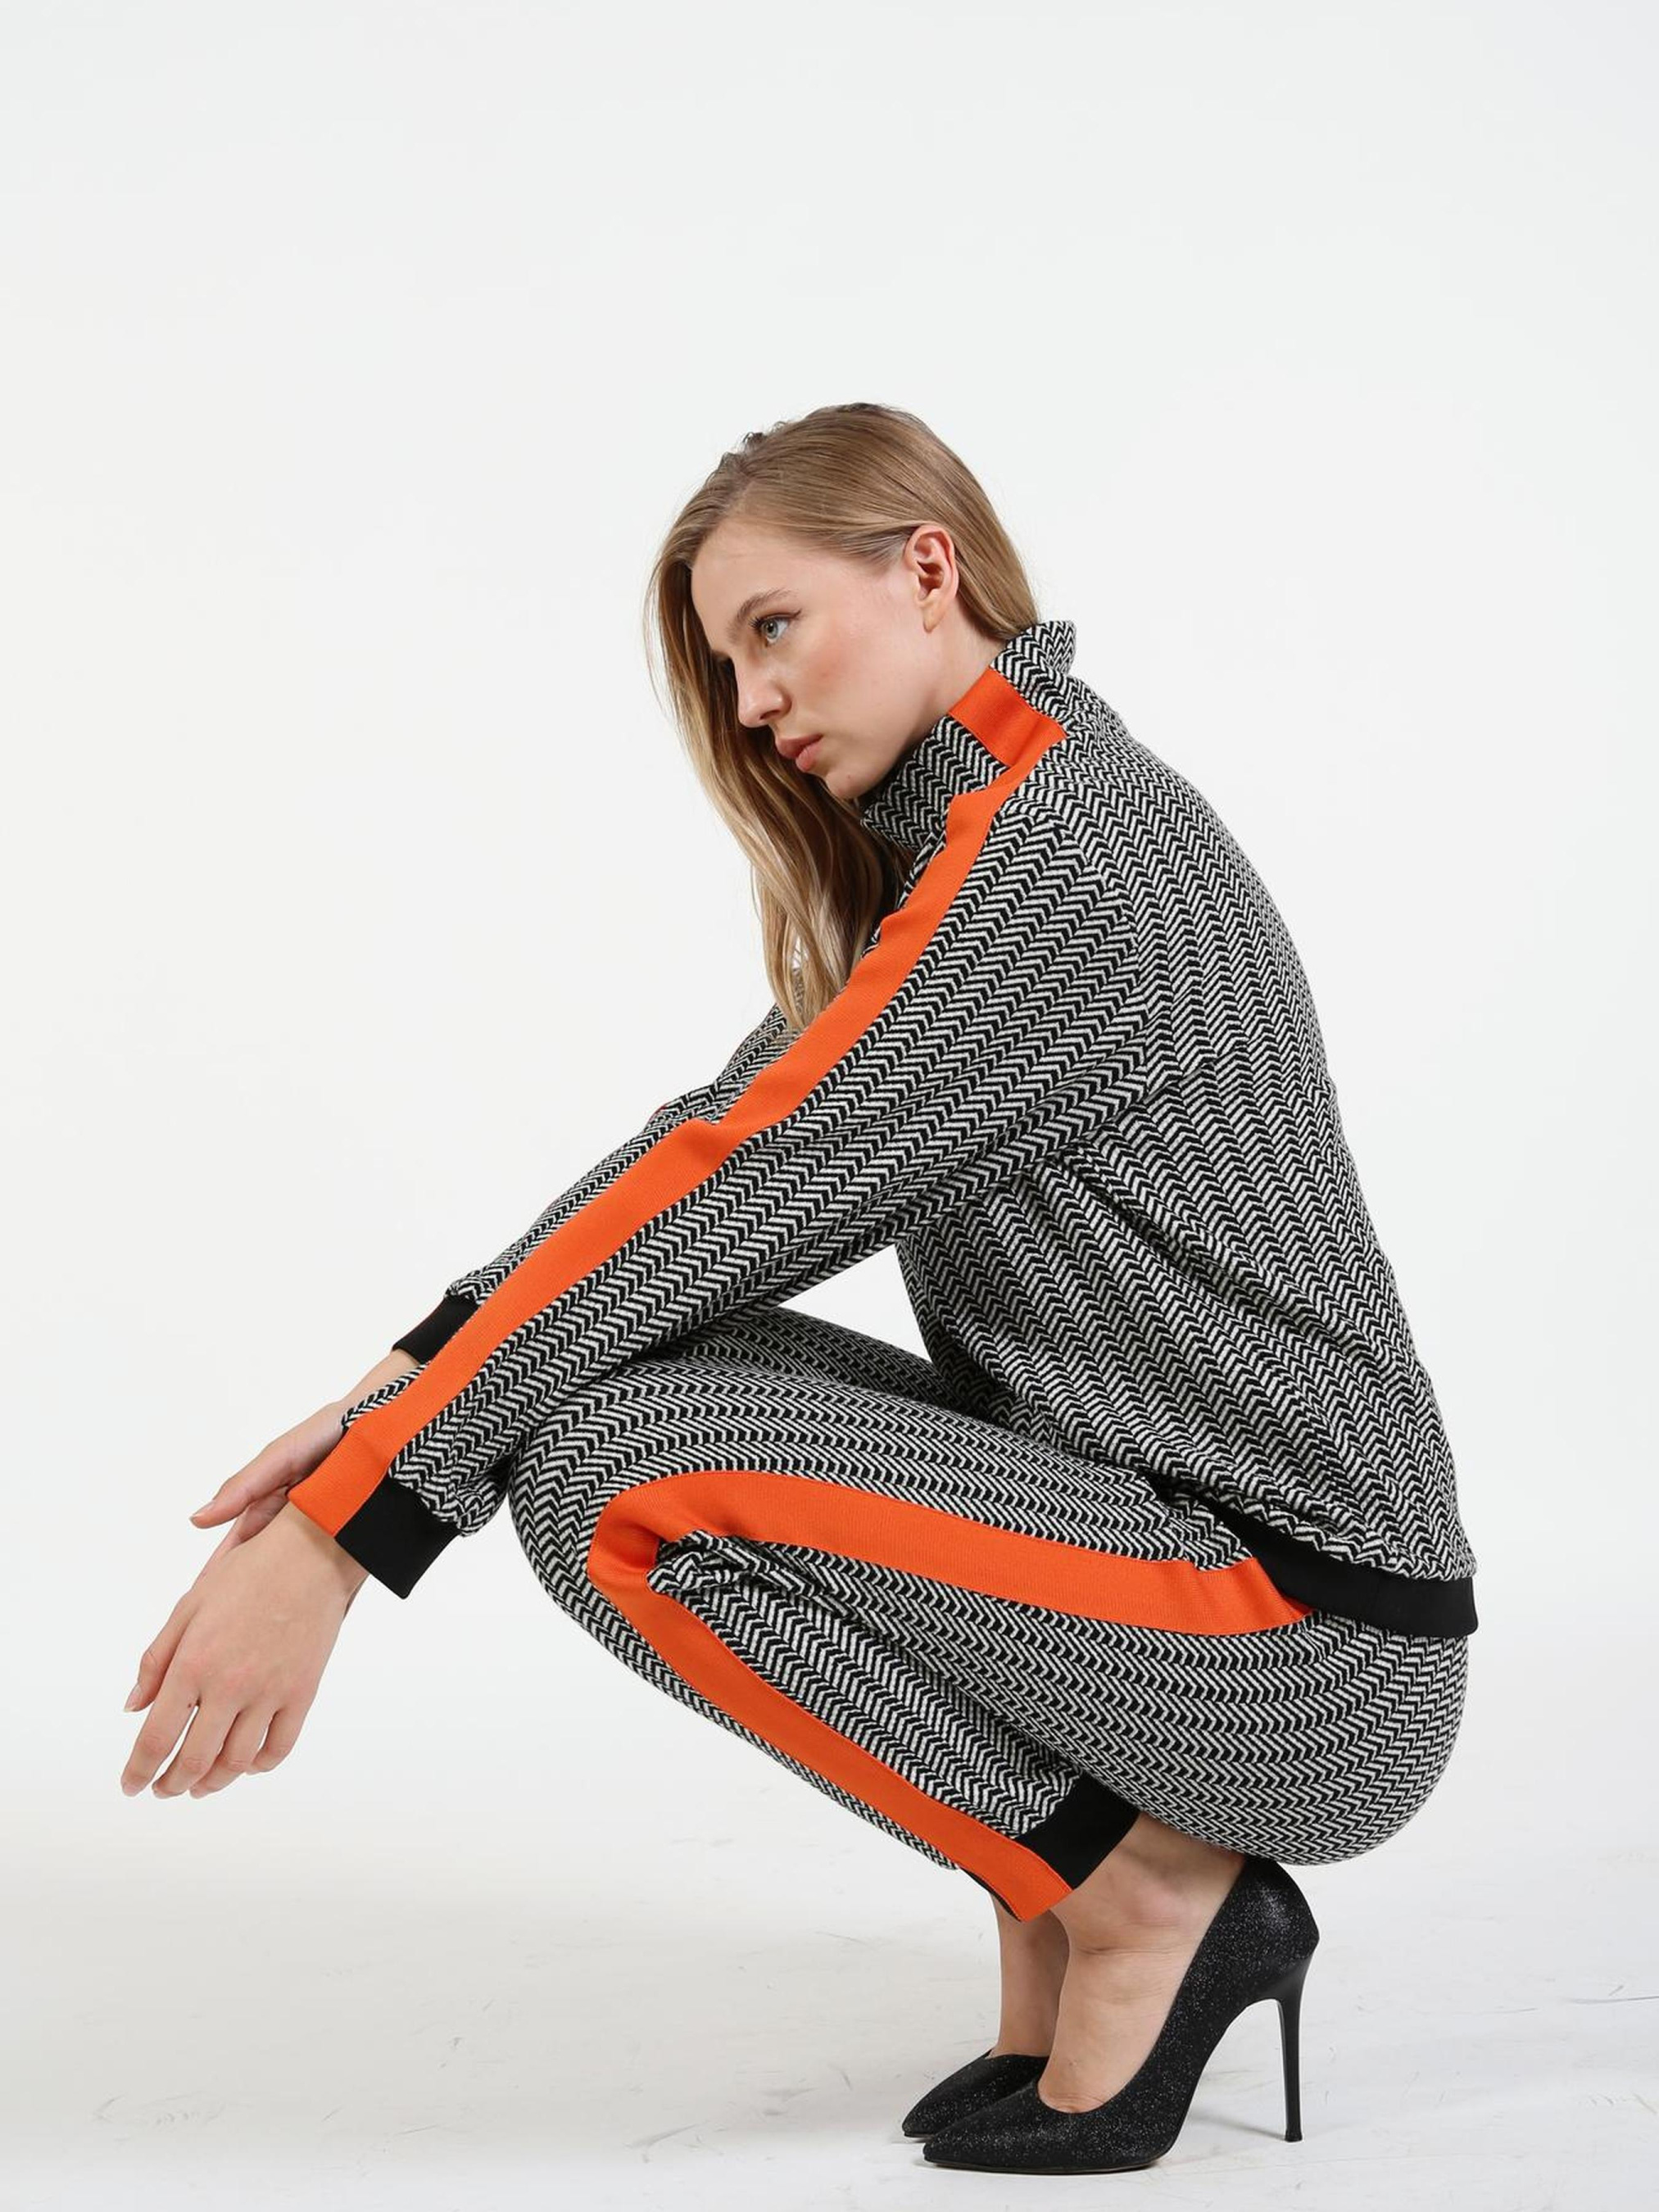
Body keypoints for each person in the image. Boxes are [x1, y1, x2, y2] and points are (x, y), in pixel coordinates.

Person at [119, 401, 1479, 2175]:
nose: (754, 700)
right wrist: (380, 1399)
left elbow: (733, 1192)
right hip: (1175, 1568)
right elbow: (692, 1160)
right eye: (726, 660)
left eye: (774, 628)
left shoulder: (1061, 861)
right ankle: (1079, 1894)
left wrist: (344, 1537)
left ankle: (1141, 1896)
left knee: (619, 1473)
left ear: (926, 569)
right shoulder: (975, 841)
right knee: (619, 1391)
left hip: (1308, 1646)